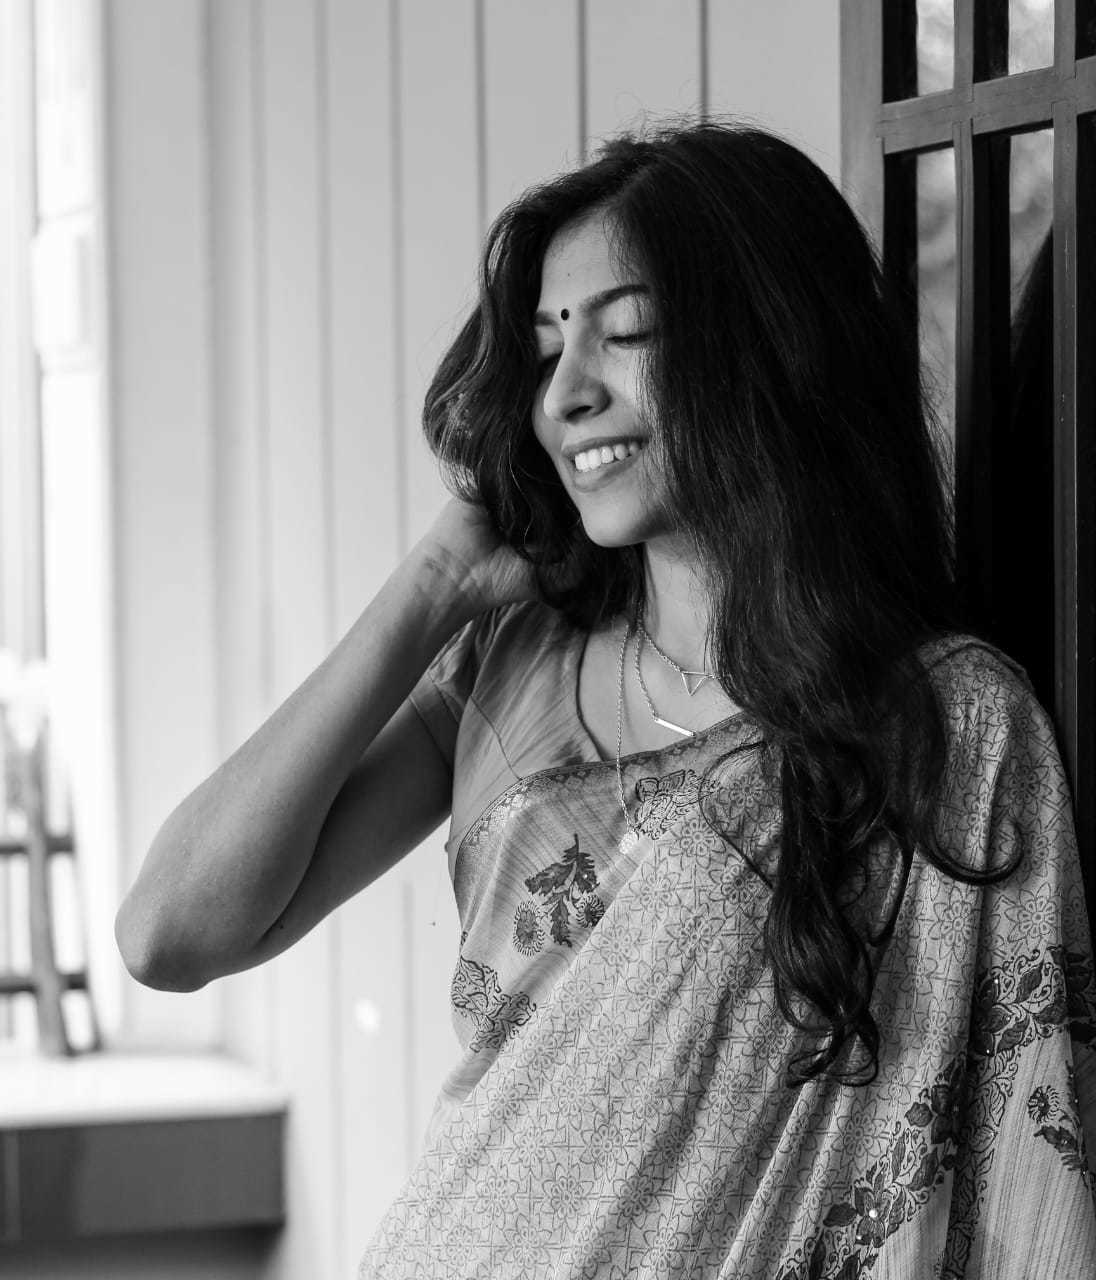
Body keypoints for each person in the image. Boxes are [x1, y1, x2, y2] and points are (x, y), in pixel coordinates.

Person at [115, 120, 1096, 1278]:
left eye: (624, 334)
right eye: (545, 350)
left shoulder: (944, 728)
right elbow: (168, 932)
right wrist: (429, 590)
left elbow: (1020, 1174)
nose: (565, 394)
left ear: (770, 348)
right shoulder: (510, 664)